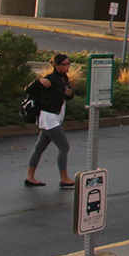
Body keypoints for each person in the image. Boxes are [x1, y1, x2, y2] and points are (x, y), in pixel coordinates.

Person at [24, 54, 77, 188]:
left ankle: (29, 177)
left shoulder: (64, 78)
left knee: (39, 147)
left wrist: (69, 94)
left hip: (56, 116)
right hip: (48, 116)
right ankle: (64, 178)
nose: (67, 67)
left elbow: (63, 96)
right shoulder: (49, 79)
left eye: (68, 64)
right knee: (64, 146)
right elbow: (28, 90)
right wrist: (38, 82)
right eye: (64, 64)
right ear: (56, 65)